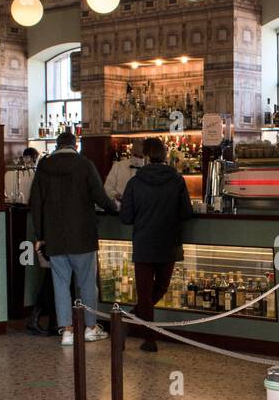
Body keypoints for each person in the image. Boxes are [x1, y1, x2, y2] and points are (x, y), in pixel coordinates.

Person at [30, 130, 118, 346]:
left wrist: (40, 235)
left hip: (54, 237)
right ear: (75, 145)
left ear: (57, 146)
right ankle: (90, 327)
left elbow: (36, 203)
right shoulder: (84, 164)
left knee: (60, 284)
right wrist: (114, 208)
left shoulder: (44, 167)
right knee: (87, 283)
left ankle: (67, 331)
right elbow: (99, 195)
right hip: (82, 235)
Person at [119, 136, 194, 351]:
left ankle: (142, 333)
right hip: (169, 243)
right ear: (164, 155)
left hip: (143, 244)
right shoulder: (177, 180)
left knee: (144, 294)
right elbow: (186, 213)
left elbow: (125, 217)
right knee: (160, 288)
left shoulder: (135, 182)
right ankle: (132, 323)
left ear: (146, 157)